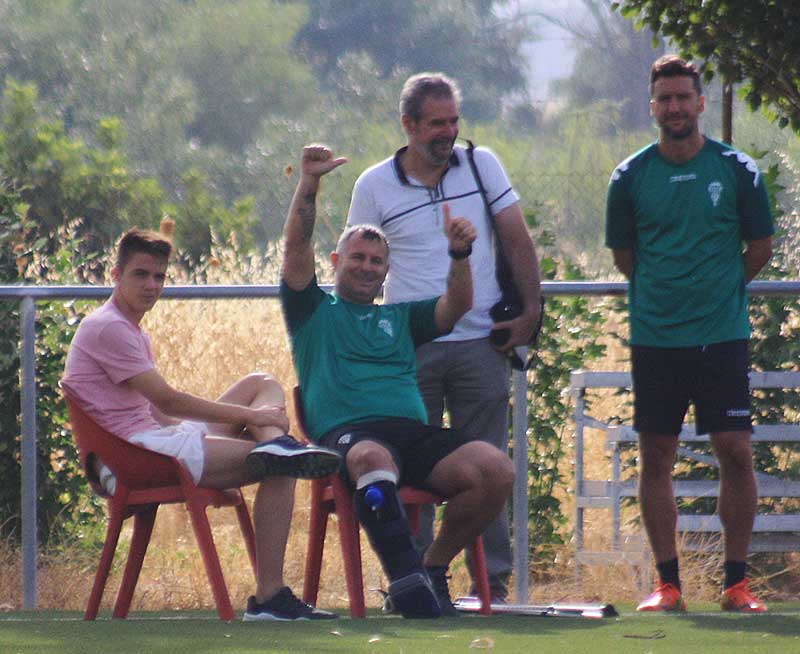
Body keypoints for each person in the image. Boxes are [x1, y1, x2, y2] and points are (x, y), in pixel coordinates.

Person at [280, 144, 515, 618]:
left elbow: (456, 308)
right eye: (357, 257)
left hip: (413, 435)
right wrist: (310, 183)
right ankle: (405, 582)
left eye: (376, 261)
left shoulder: (402, 317)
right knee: (370, 456)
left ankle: (429, 568)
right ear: (336, 260)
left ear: (388, 269)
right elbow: (295, 246)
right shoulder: (312, 311)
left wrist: (460, 253)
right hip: (349, 436)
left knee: (495, 470)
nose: (367, 267)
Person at [62, 228, 342, 621]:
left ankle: (275, 443)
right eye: (141, 274)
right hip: (140, 454)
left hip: (155, 438)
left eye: (159, 276)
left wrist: (227, 425)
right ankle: (269, 598)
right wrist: (249, 417)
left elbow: (159, 412)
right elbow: (166, 399)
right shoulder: (108, 327)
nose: (151, 285)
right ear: (116, 275)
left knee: (262, 383)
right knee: (282, 467)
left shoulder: (129, 329)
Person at [346, 72, 541, 602]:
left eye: (454, 121)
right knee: (412, 468)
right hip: (409, 349)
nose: (448, 132)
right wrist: (364, 340)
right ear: (407, 125)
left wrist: (531, 314)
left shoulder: (483, 164)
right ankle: (413, 581)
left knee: (489, 466)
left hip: (483, 343)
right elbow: (357, 266)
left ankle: (491, 586)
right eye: (436, 123)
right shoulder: (373, 185)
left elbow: (517, 239)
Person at [605, 55, 774, 613]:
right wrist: (668, 296)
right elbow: (627, 257)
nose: (674, 107)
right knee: (656, 453)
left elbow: (758, 249)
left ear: (701, 103)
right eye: (664, 99)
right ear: (651, 107)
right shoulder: (629, 177)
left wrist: (716, 293)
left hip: (720, 335)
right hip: (656, 337)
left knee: (735, 451)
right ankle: (669, 584)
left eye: (683, 97)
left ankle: (735, 584)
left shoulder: (737, 169)